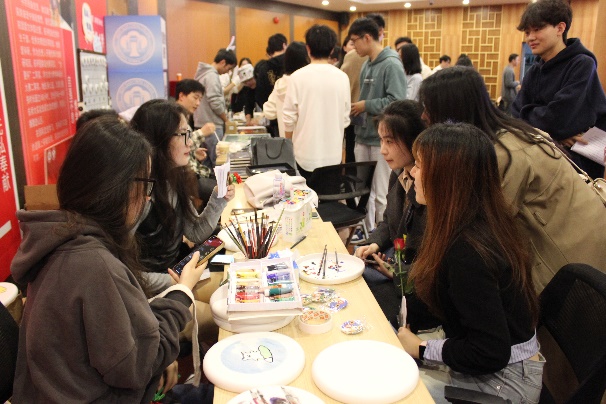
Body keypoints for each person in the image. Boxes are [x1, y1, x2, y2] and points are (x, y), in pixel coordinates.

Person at [11, 116, 204, 402]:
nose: (147, 198)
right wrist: (182, 292)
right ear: (117, 187)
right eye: (145, 185)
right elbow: (138, 365)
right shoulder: (93, 264)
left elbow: (125, 345)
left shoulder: (59, 240)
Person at [419, 66, 606, 291]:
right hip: (585, 249)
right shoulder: (512, 134)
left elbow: (480, 229)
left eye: (429, 109)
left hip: (570, 268)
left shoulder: (503, 155)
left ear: (451, 110)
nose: (424, 117)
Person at [398, 122, 543, 404]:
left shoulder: (468, 252)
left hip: (503, 383)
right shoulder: (468, 224)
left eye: (420, 165)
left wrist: (422, 350)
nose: (412, 172)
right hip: (493, 366)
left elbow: (490, 351)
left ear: (447, 178)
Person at [130, 100, 235, 295]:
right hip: (153, 291)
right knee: (225, 298)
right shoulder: (138, 194)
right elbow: (123, 273)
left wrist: (219, 199)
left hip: (177, 273)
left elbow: (195, 232)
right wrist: (175, 282)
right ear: (159, 138)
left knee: (232, 284)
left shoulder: (174, 177)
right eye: (183, 134)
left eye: (190, 133)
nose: (190, 142)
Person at [353, 100, 440, 333]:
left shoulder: (430, 188)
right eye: (381, 141)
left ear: (413, 140)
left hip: (420, 287)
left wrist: (397, 272)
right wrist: (374, 243)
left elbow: (435, 264)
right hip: (399, 266)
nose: (383, 150)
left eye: (390, 142)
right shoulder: (399, 174)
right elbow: (388, 222)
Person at [512, 0, 606, 179]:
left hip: (578, 165)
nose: (530, 37)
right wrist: (554, 135)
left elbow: (558, 119)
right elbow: (515, 116)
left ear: (560, 28)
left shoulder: (582, 64)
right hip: (542, 160)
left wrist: (534, 118)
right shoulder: (534, 71)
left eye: (537, 29)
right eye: (527, 32)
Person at [348, 16, 407, 232]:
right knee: (364, 193)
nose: (353, 46)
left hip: (382, 140)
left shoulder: (391, 64)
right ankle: (368, 233)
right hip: (363, 136)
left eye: (355, 41)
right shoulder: (367, 64)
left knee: (382, 193)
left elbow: (397, 102)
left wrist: (366, 105)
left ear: (367, 37)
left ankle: (385, 237)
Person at [283, 25, 350, 180]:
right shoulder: (342, 78)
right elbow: (345, 120)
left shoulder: (297, 77)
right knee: (329, 194)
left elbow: (288, 119)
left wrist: (289, 147)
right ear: (332, 49)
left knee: (303, 195)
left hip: (304, 156)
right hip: (333, 156)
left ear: (308, 48)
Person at [175, 79, 217, 203]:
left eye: (200, 99)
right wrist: (202, 132)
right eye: (195, 97)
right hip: (186, 177)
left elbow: (183, 144)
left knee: (226, 182)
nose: (198, 103)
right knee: (222, 192)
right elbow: (175, 145)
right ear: (181, 96)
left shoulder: (185, 115)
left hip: (195, 172)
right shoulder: (173, 116)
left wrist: (193, 153)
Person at [193, 48, 237, 167]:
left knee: (206, 163)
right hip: (212, 124)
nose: (227, 72)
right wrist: (226, 120)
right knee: (218, 163)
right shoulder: (212, 76)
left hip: (202, 122)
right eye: (228, 68)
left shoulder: (203, 74)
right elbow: (215, 102)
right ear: (223, 62)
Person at [263, 41, 310, 138]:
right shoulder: (308, 82)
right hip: (307, 139)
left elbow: (269, 112)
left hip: (286, 138)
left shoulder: (281, 83)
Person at [256, 34, 288, 137]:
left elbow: (259, 96)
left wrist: (269, 109)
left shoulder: (263, 68)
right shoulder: (290, 63)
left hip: (273, 119)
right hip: (292, 117)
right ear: (284, 45)